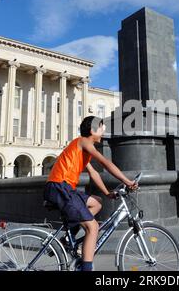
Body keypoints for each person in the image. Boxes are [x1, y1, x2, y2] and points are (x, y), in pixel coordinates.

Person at [44, 116, 137, 271]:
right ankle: (86, 268)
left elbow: (94, 174)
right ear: (92, 130)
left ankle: (70, 237)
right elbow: (105, 163)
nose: (104, 131)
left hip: (64, 188)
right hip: (60, 187)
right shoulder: (84, 141)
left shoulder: (82, 149)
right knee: (93, 227)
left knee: (97, 202)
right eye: (101, 127)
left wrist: (107, 193)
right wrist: (128, 181)